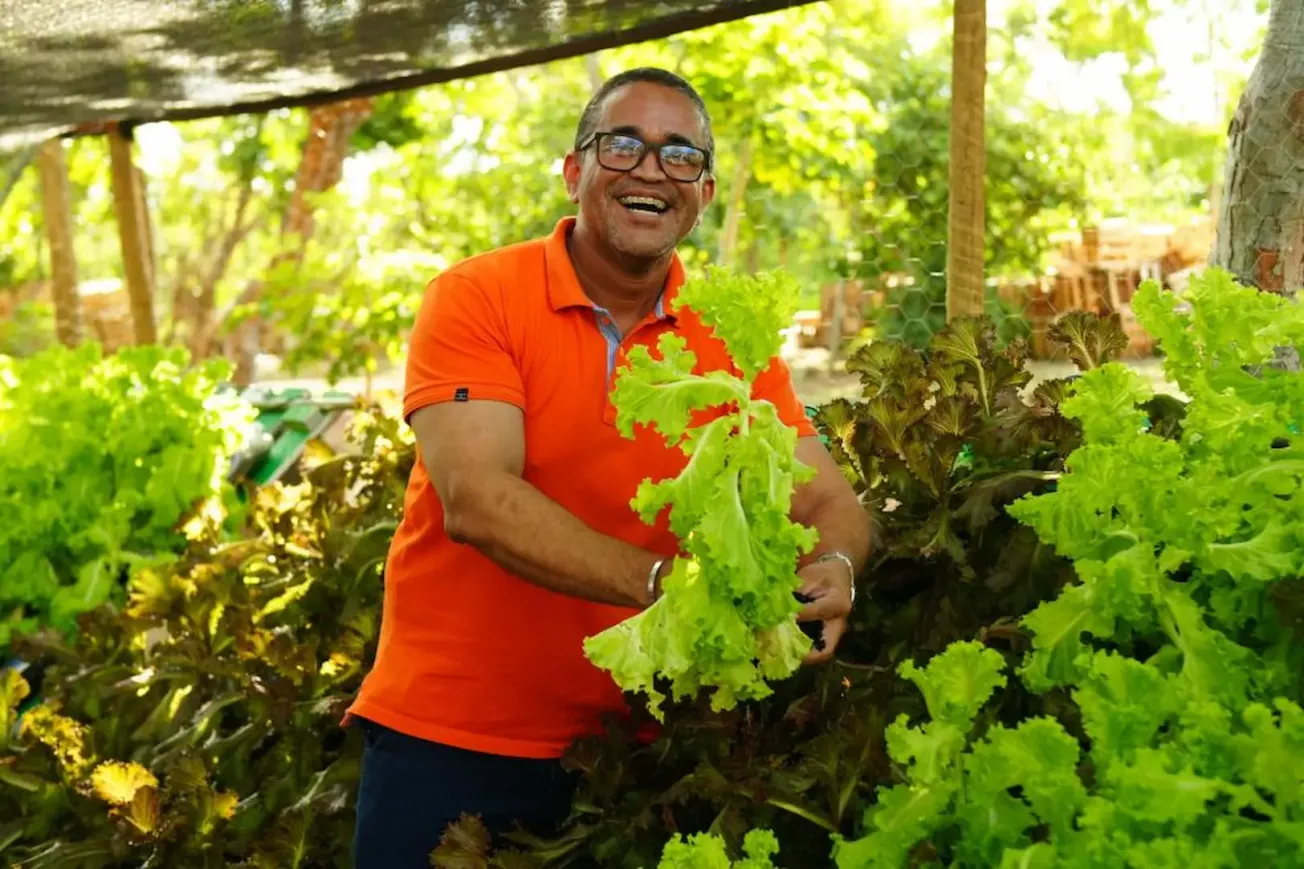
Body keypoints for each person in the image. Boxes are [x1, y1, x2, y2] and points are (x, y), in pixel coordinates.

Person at [346, 67, 871, 868]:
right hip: (455, 739)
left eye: (679, 154)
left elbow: (826, 495)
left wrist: (835, 560)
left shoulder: (728, 334)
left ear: (705, 191)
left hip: (642, 754)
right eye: (623, 144)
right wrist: (670, 588)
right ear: (574, 170)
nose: (651, 169)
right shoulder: (478, 296)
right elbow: (478, 498)